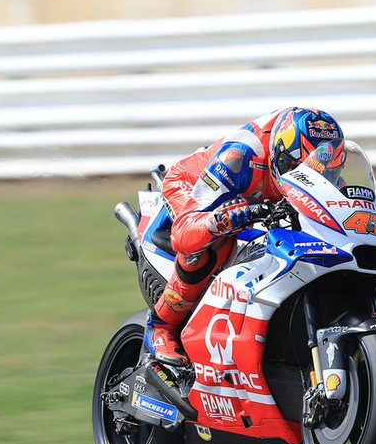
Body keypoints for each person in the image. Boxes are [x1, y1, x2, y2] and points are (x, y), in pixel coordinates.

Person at [146, 107, 346, 366]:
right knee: (213, 242)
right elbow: (183, 232)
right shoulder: (240, 156)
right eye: (298, 169)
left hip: (259, 200)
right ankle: (161, 327)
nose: (311, 177)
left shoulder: (318, 161)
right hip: (193, 185)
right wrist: (224, 219)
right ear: (281, 155)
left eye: (322, 172)